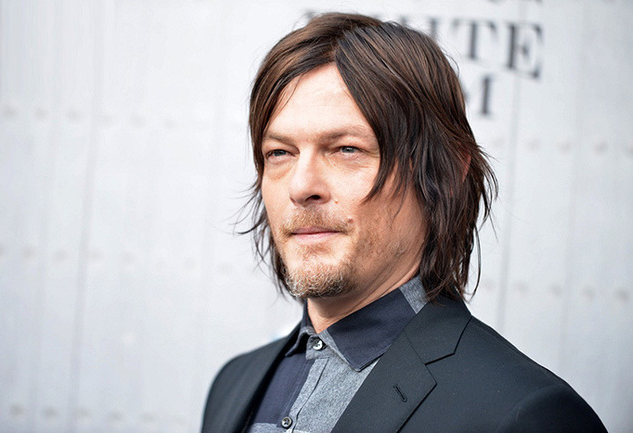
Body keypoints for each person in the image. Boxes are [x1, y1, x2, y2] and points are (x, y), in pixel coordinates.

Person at [202, 12, 607, 433]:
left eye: (346, 149)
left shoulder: (526, 415)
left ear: (445, 174)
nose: (301, 187)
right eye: (279, 153)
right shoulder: (232, 385)